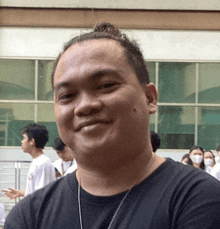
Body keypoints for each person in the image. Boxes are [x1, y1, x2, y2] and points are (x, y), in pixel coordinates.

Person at [4, 22, 220, 229]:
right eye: (67, 95)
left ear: (149, 98)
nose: (85, 106)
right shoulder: (29, 217)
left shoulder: (200, 200)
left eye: (106, 85)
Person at [2, 123, 55, 199]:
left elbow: (41, 196)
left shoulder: (42, 163)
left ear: (32, 141)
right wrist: (21, 193)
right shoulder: (37, 161)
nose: (22, 141)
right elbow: (35, 192)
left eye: (24, 138)